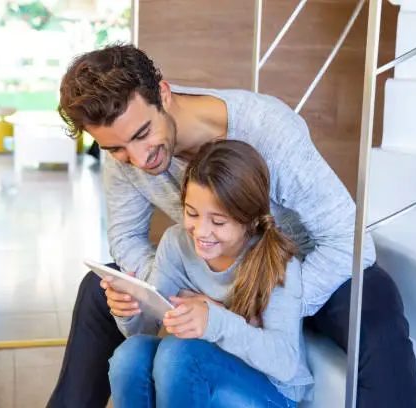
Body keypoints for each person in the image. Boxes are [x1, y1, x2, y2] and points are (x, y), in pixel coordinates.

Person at [48, 43, 416, 408]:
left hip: (302, 268)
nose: (138, 158)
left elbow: (349, 240)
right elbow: (126, 237)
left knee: (376, 319)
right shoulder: (123, 150)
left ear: (163, 94)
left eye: (142, 134)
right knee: (101, 291)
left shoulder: (269, 130)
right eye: (115, 149)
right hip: (216, 262)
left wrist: (244, 307)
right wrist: (158, 295)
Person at [108, 140, 312, 407]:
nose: (201, 232)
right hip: (203, 367)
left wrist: (214, 320)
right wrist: (131, 310)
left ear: (249, 220)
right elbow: (146, 328)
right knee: (130, 356)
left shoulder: (278, 262)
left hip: (272, 392)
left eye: (218, 221)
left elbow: (285, 364)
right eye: (192, 213)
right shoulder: (177, 244)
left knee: (179, 353)